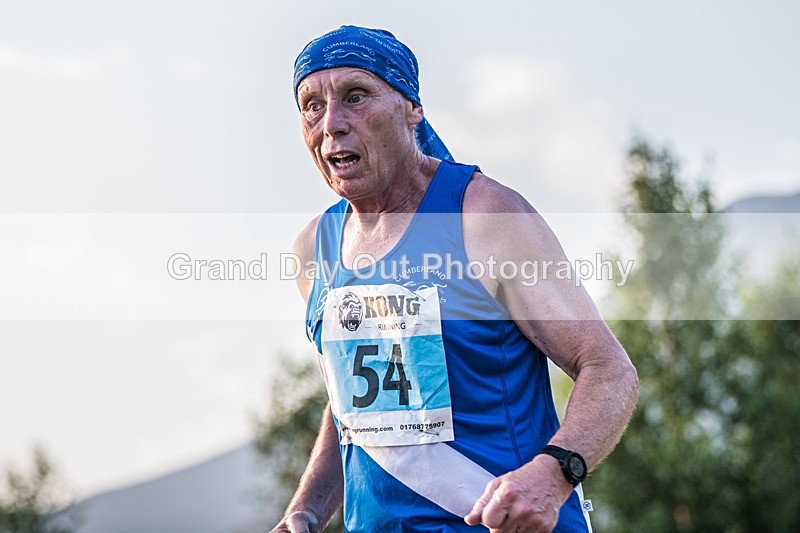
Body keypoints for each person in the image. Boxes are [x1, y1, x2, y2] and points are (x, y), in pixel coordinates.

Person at [271, 25, 638, 533]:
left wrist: (554, 475)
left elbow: (608, 369)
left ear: (411, 108)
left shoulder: (484, 216)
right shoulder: (314, 248)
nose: (331, 122)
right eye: (311, 105)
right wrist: (306, 510)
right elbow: (353, 412)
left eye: (356, 96)